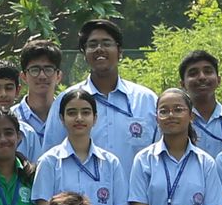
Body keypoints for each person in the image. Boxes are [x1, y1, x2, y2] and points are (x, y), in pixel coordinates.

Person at [68, 19, 159, 159]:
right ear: (84, 54)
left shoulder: (146, 100)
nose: (99, 49)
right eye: (92, 45)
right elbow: (52, 154)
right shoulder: (67, 101)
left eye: (106, 43)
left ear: (120, 52)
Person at [11, 40, 67, 160]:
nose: (42, 76)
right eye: (35, 70)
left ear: (58, 76)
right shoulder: (11, 118)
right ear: (23, 77)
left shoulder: (68, 118)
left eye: (48, 69)